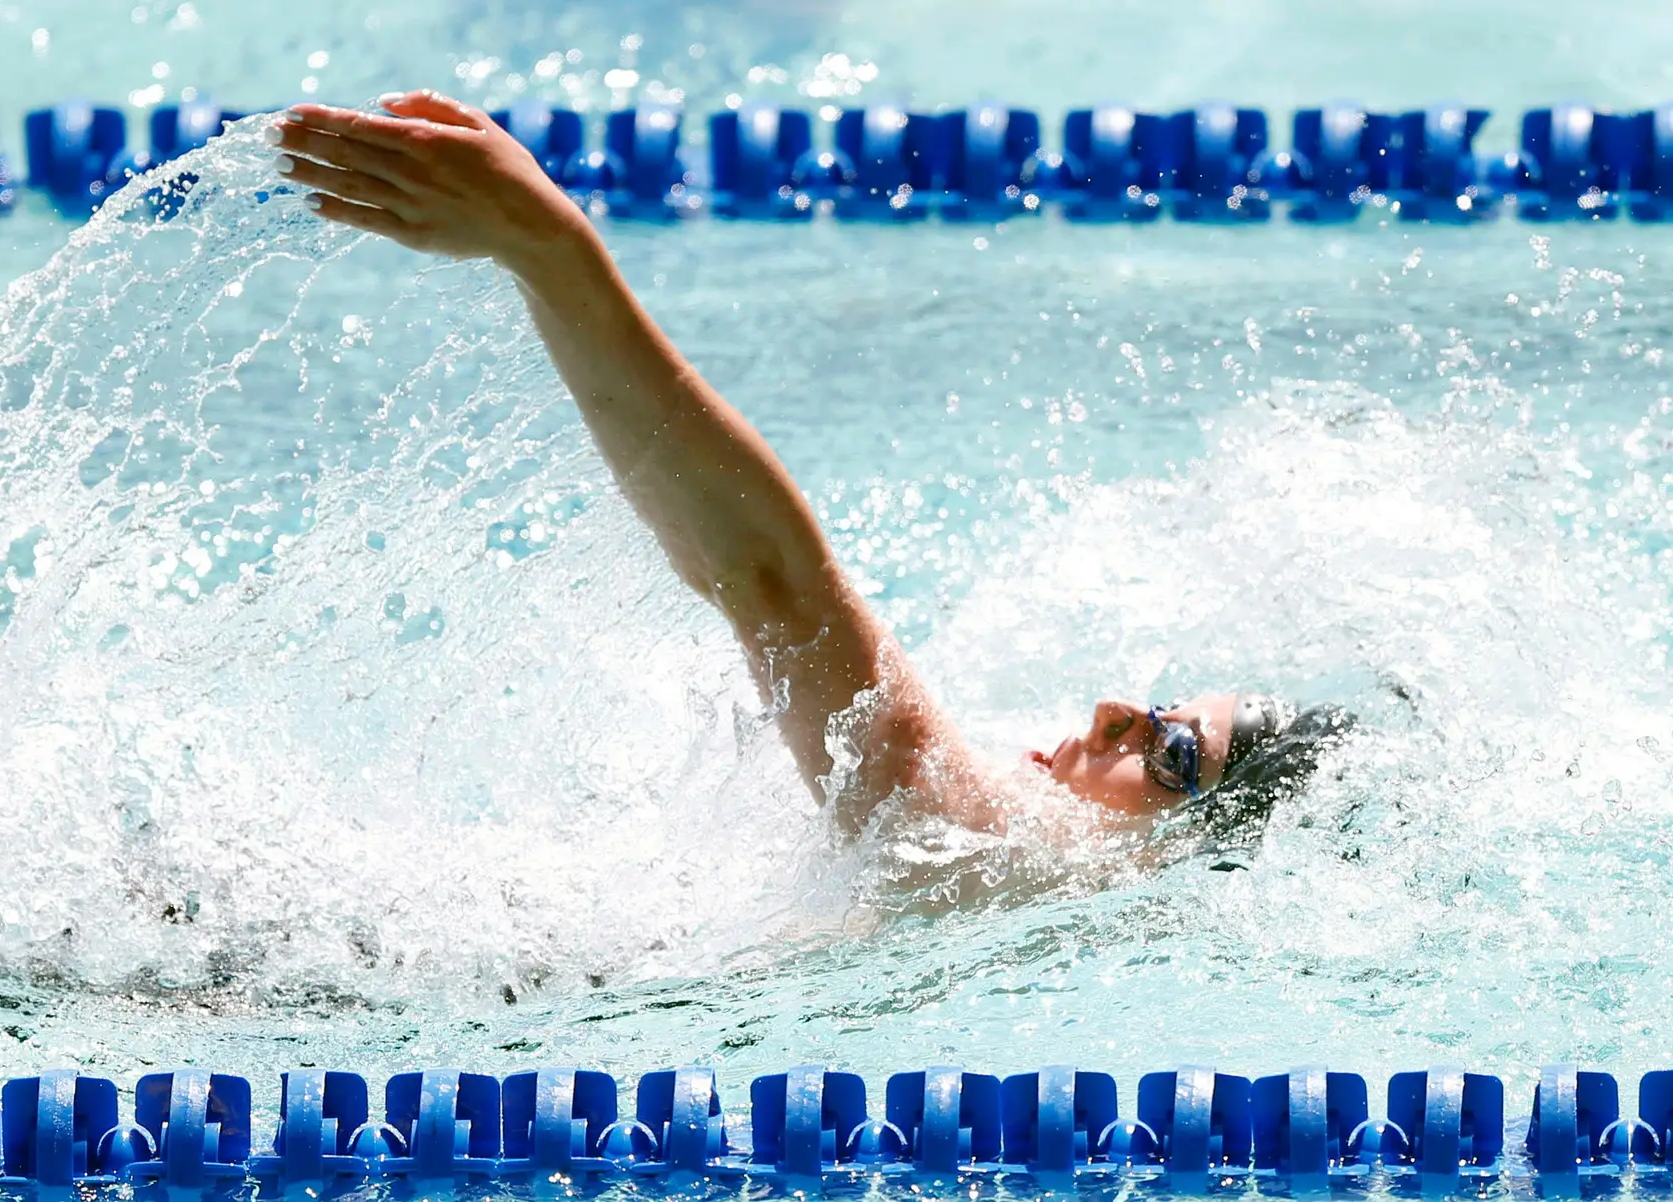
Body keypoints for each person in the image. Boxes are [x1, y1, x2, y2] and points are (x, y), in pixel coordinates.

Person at [266, 91, 1351, 848]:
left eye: (1169, 753)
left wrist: (549, 244)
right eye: (1158, 709)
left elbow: (768, 577)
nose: (1117, 708)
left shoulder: (984, 851)